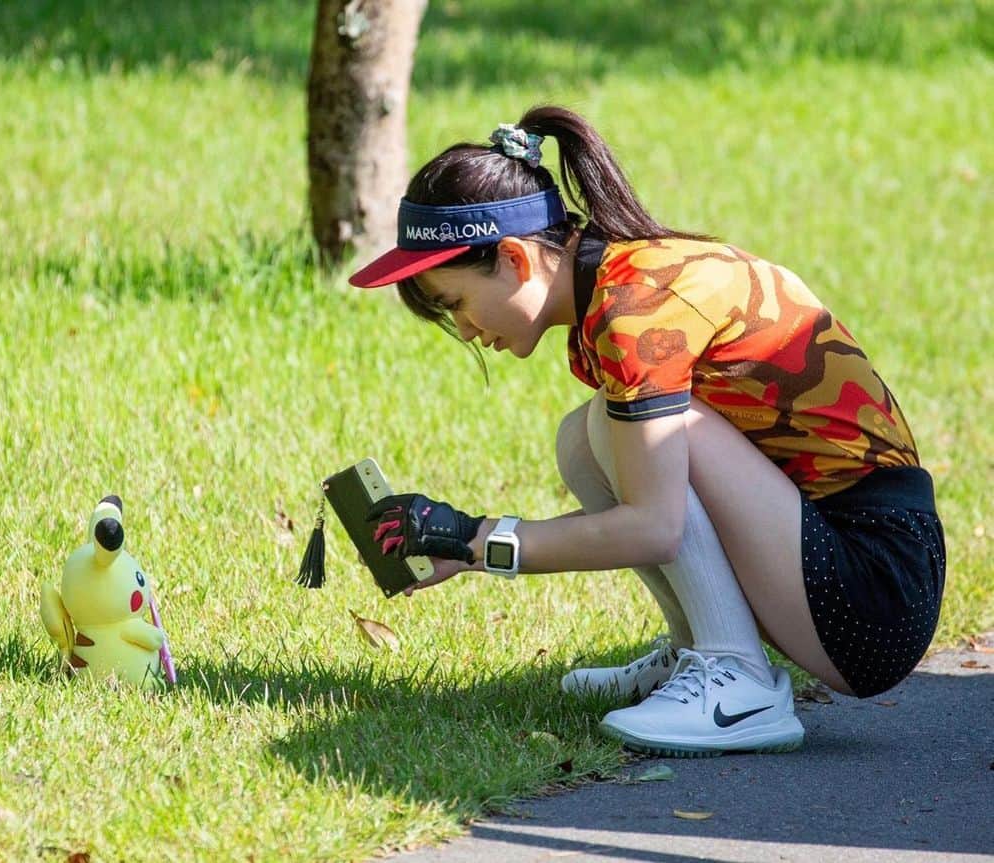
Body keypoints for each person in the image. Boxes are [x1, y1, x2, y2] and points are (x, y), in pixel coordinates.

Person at [347, 105, 945, 757]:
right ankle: (699, 649)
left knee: (618, 429)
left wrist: (473, 541)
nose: (464, 330)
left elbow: (654, 525)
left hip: (875, 594)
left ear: (516, 258)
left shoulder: (634, 308)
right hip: (847, 558)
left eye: (455, 302)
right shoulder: (619, 279)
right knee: (585, 438)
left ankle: (734, 681)